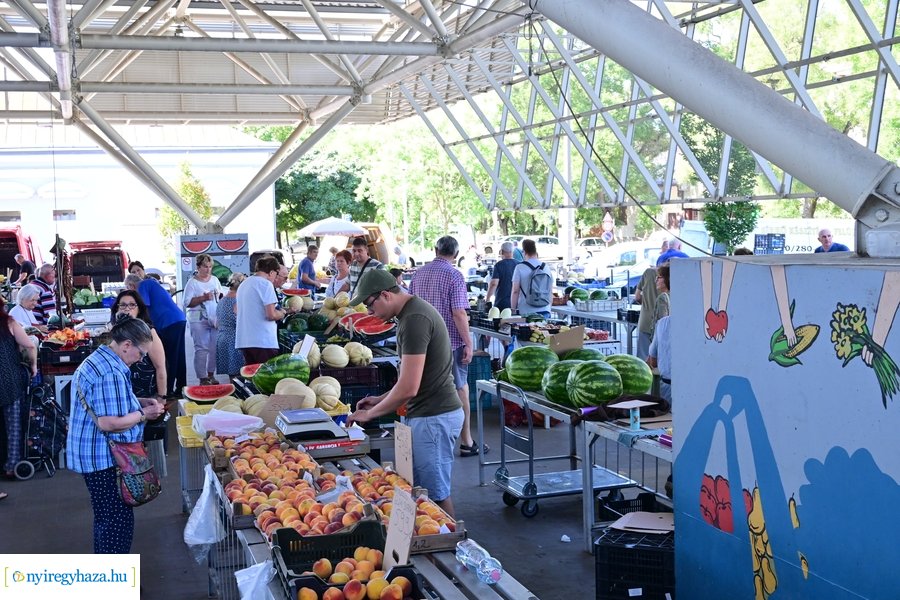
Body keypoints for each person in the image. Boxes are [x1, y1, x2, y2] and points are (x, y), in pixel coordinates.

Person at [346, 269, 464, 516]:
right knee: (423, 494)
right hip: (427, 415)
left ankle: (454, 539)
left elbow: (409, 387)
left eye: (370, 304)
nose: (369, 312)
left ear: (385, 295)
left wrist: (371, 414)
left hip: (433, 417)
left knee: (434, 497)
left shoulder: (414, 320)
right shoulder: (410, 314)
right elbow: (413, 379)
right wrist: (380, 399)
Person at [66, 316, 166, 553]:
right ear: (127, 345)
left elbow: (107, 402)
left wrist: (139, 401)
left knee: (106, 519)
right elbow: (109, 423)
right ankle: (114, 574)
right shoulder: (110, 373)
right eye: (141, 353)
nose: (141, 359)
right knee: (116, 523)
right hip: (105, 459)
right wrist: (144, 414)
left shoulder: (102, 360)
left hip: (94, 455)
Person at [409, 236, 483, 457]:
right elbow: (459, 312)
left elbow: (410, 305)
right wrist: (468, 342)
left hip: (422, 344)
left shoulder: (419, 274)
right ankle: (467, 441)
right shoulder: (454, 275)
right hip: (450, 344)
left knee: (424, 389)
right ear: (456, 255)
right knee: (460, 388)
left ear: (435, 250)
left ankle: (426, 439)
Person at [125, 270, 187, 398]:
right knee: (179, 356)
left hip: (168, 322)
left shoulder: (143, 285)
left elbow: (143, 306)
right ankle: (182, 387)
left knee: (169, 357)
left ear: (131, 286)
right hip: (178, 319)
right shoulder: (151, 284)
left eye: (128, 289)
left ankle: (168, 390)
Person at [0, 302, 37, 481]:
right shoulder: (9, 323)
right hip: (9, 380)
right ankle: (11, 465)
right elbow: (30, 346)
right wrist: (34, 366)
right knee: (13, 425)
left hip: (8, 379)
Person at [236, 256, 293, 365]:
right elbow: (271, 315)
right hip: (263, 341)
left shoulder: (244, 284)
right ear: (271, 272)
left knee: (252, 373)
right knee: (266, 374)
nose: (275, 278)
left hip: (244, 340)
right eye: (276, 274)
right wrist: (282, 313)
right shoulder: (266, 284)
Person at [183, 254, 222, 385]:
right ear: (198, 267)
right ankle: (202, 377)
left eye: (210, 267)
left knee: (214, 347)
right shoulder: (192, 283)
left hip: (214, 317)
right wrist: (203, 298)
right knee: (201, 348)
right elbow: (186, 303)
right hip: (197, 318)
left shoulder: (215, 280)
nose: (208, 269)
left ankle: (211, 374)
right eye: (205, 266)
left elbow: (220, 296)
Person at [510, 239, 553, 318]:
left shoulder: (519, 267)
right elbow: (550, 290)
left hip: (526, 311)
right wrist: (549, 307)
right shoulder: (546, 267)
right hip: (545, 309)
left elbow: (515, 291)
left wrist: (513, 309)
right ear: (535, 251)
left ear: (524, 251)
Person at [216, 273, 245, 378]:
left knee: (231, 377)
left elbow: (217, 323)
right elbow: (240, 322)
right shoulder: (238, 301)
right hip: (234, 340)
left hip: (221, 339)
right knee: (239, 376)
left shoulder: (222, 300)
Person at [633, 266, 659, 360]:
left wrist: (647, 304)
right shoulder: (676, 275)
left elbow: (637, 297)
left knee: (643, 360)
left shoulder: (648, 272)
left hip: (646, 321)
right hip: (664, 322)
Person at [485, 241, 517, 311]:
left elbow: (494, 284)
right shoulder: (519, 265)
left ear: (502, 252)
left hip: (502, 302)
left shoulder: (498, 265)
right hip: (517, 302)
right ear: (512, 252)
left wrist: (487, 299)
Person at [647, 315, 671, 404]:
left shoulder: (662, 323)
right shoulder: (698, 323)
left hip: (667, 387)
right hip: (692, 387)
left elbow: (653, 361)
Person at [651, 264, 671, 343]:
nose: (656, 280)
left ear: (667, 278)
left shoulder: (662, 298)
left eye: (659, 277)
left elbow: (662, 327)